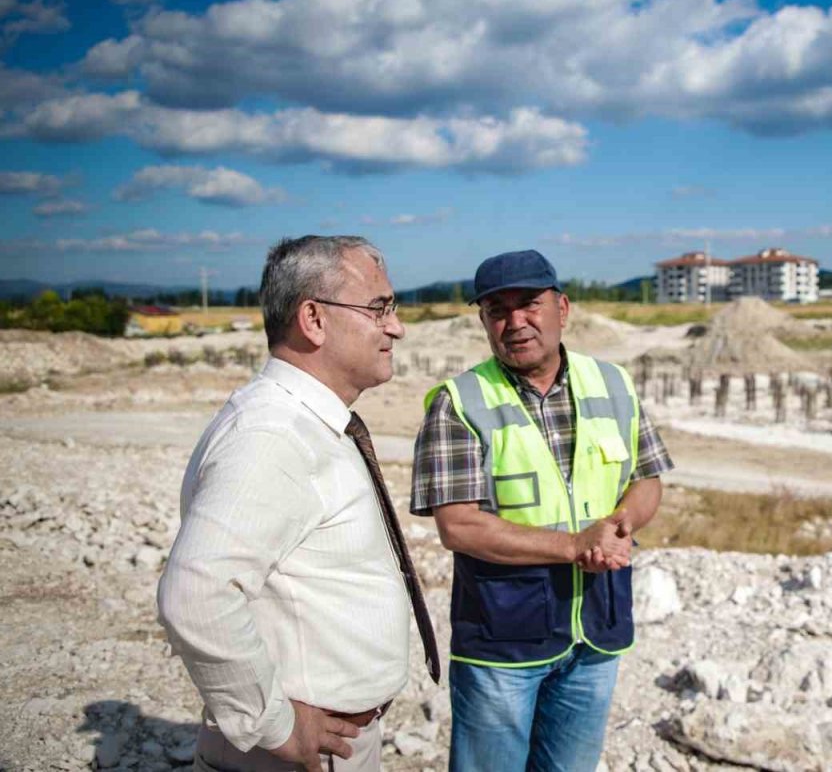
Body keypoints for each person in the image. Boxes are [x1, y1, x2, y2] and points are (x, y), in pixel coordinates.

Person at [158, 235, 439, 772]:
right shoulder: (273, 435)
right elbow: (195, 593)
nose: (396, 326)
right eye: (378, 307)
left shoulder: (308, 423)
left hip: (331, 742)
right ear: (313, 319)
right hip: (298, 755)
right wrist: (276, 725)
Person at [411, 249, 672, 772]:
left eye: (529, 304)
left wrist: (619, 529)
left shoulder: (614, 383)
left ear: (562, 308)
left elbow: (646, 479)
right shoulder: (459, 402)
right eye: (497, 311)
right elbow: (458, 526)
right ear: (484, 321)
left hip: (596, 629)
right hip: (503, 642)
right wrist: (575, 545)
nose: (515, 322)